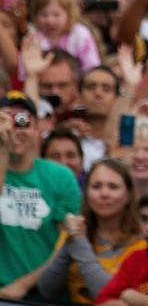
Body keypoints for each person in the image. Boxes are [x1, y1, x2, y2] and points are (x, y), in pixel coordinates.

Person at [0, 91, 82, 300]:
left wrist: (23, 285)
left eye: (22, 122)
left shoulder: (60, 177)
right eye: (5, 121)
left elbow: (67, 243)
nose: (14, 130)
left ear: (37, 128)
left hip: (45, 295)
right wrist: (1, 149)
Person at [38, 158, 147, 304]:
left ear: (128, 194)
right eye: (96, 186)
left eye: (113, 187)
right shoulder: (76, 231)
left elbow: (110, 297)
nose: (104, 193)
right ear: (86, 193)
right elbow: (47, 291)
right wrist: (67, 246)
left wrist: (80, 245)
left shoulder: (141, 245)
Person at [19, 0, 101, 77]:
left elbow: (92, 68)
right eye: (44, 15)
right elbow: (24, 73)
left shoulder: (80, 35)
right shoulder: (32, 39)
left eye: (56, 15)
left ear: (69, 13)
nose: (50, 21)